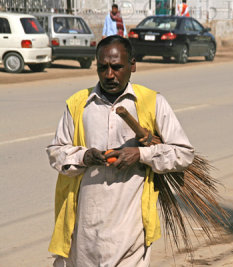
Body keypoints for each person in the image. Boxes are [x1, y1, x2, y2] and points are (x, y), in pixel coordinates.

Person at [47, 35, 194, 266]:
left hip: (131, 232)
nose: (109, 75)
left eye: (116, 67)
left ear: (132, 65)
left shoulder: (152, 102)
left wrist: (141, 155)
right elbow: (56, 153)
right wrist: (84, 156)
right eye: (103, 67)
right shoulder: (78, 104)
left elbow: (183, 154)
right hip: (85, 231)